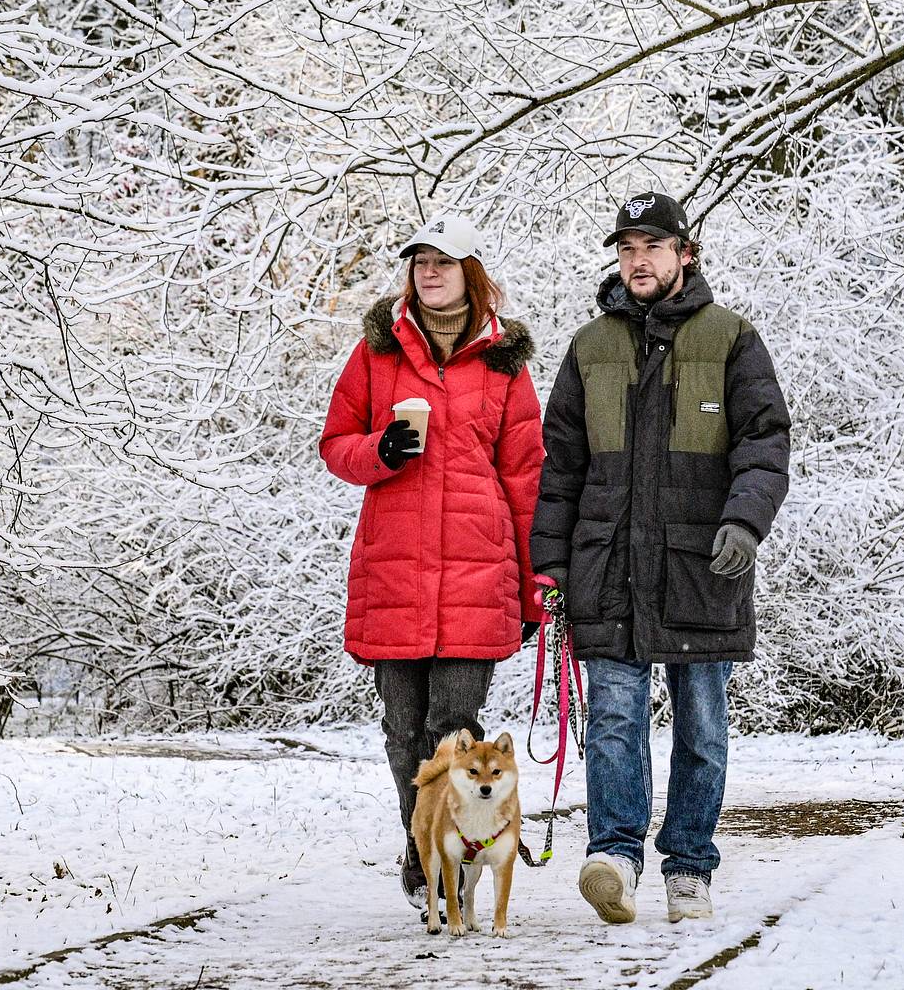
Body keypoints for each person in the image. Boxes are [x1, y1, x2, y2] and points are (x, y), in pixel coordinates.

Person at [530, 191, 790, 925]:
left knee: (701, 725)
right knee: (613, 718)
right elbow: (561, 469)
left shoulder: (731, 338)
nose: (638, 260)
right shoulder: (590, 347)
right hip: (606, 565)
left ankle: (689, 868)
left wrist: (745, 522)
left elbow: (765, 444)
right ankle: (613, 857)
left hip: (702, 566)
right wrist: (549, 564)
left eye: (652, 246)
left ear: (685, 254)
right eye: (626, 248)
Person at [320, 213, 544, 916]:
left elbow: (527, 478)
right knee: (401, 731)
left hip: (479, 576)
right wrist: (378, 453)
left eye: (443, 262)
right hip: (396, 573)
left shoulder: (505, 363)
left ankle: (450, 865)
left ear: (471, 272)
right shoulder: (376, 354)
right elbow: (336, 443)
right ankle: (423, 851)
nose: (429, 272)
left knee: (453, 725)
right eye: (419, 262)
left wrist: (536, 591)